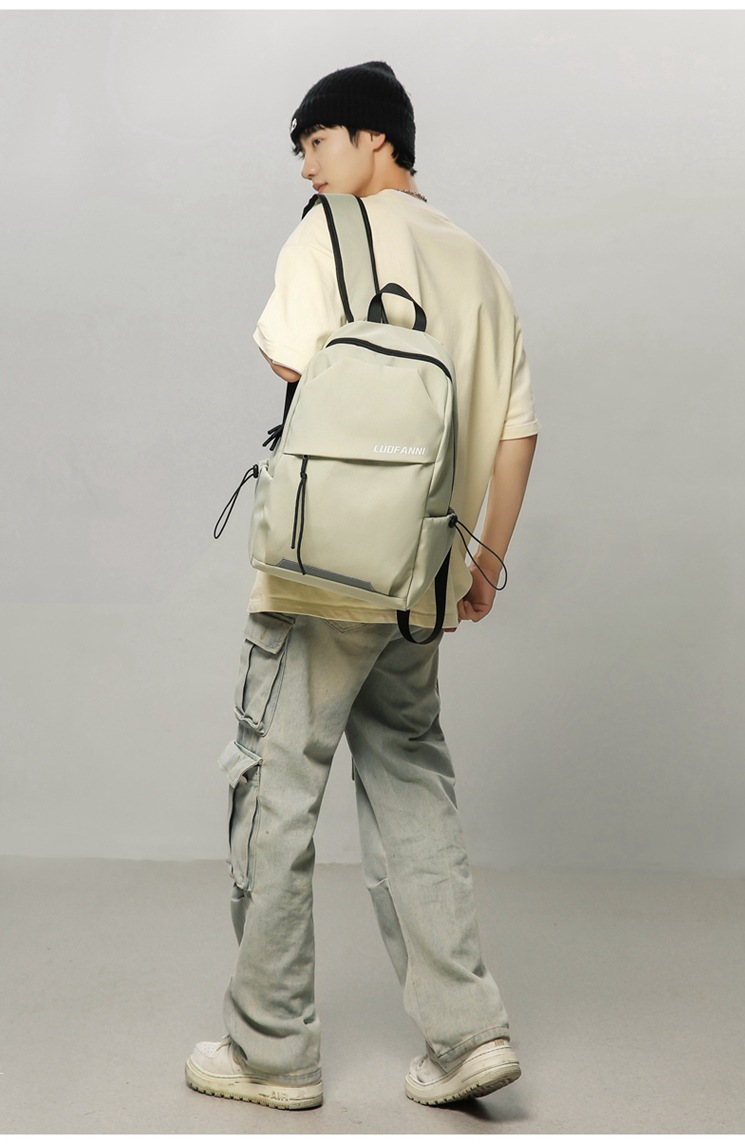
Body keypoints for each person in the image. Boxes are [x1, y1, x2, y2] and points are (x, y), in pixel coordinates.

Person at [186, 61, 539, 1112]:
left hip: (320, 572)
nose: (306, 166)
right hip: (423, 574)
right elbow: (516, 432)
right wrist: (482, 563)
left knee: (274, 782)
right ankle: (468, 1034)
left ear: (374, 138)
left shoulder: (325, 234)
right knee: (412, 779)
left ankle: (271, 1049)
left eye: (316, 141)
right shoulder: (479, 263)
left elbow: (302, 371)